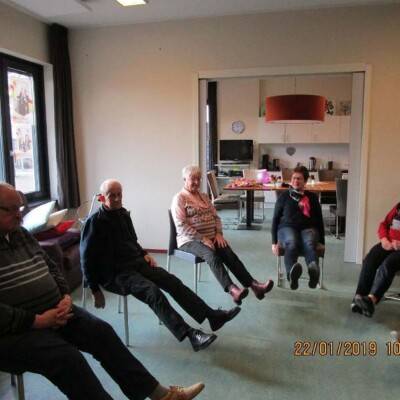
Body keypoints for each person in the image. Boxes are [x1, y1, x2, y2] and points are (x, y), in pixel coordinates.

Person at [0, 182, 204, 400]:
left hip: (57, 310)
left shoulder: (21, 234)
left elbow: (51, 267)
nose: (19, 215)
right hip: (16, 329)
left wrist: (65, 296)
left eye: (19, 208)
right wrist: (37, 321)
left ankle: (161, 396)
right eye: (10, 209)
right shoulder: (95, 222)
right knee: (67, 358)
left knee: (103, 333)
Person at [81, 179, 241, 353]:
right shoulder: (94, 222)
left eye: (119, 194)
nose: (118, 199)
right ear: (102, 198)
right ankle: (190, 334)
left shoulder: (123, 215)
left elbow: (132, 241)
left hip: (136, 263)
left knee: (173, 282)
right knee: (152, 292)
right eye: (112, 196)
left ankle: (211, 316)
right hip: (115, 273)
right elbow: (86, 258)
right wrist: (94, 290)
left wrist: (144, 253)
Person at [171, 165, 274, 305]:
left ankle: (254, 286)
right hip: (189, 240)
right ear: (184, 179)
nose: (196, 182)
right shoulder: (179, 198)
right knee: (211, 254)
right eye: (192, 179)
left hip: (211, 237)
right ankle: (233, 290)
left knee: (228, 253)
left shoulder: (204, 196)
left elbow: (216, 217)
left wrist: (218, 233)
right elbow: (181, 225)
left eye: (198, 179)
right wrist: (202, 238)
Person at [271, 166, 325, 290]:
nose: (296, 181)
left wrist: (322, 241)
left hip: (308, 227)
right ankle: (292, 275)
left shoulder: (312, 197)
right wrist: (274, 242)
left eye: (299, 179)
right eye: (294, 178)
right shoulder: (284, 196)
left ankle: (313, 272)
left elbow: (319, 219)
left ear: (305, 181)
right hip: (287, 227)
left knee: (309, 243)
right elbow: (275, 219)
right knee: (292, 242)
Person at [352, 203, 400, 317]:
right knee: (369, 260)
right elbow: (384, 224)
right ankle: (359, 298)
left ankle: (371, 300)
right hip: (389, 243)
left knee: (388, 264)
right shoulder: (398, 207)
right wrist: (384, 239)